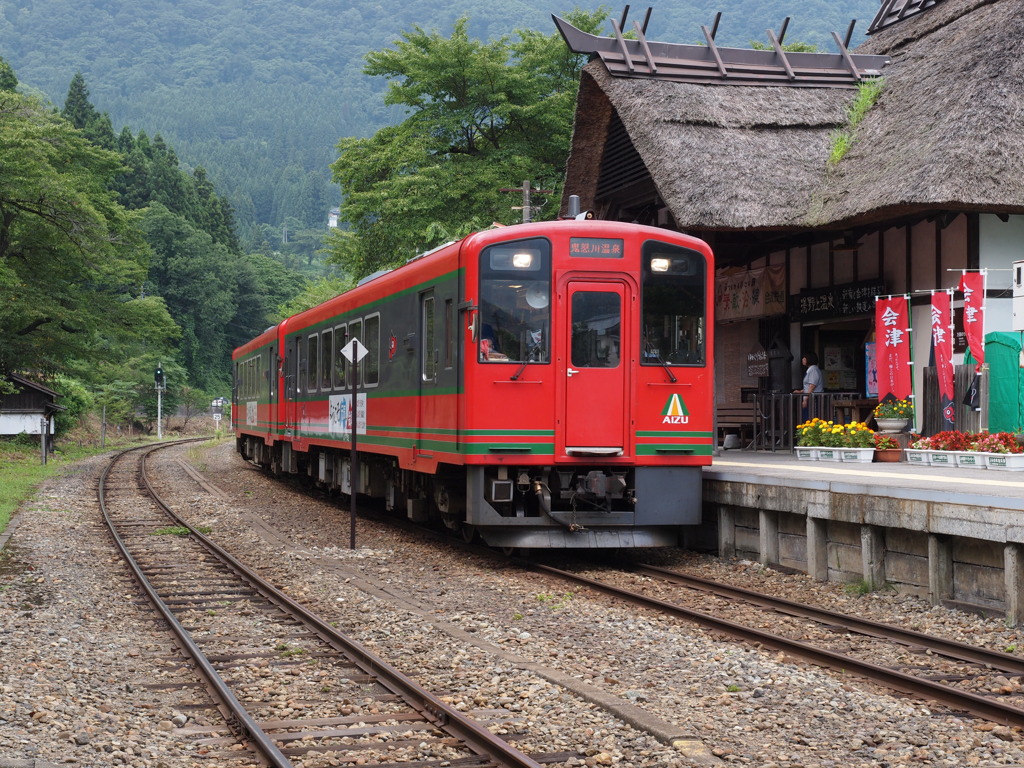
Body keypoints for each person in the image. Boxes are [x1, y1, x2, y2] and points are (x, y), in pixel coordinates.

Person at [794, 352, 823, 420]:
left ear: (808, 359)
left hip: (813, 398)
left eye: (804, 359)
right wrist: (801, 391)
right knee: (807, 417)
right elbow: (808, 386)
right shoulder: (811, 369)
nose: (802, 360)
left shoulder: (813, 369)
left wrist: (805, 399)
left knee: (811, 417)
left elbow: (812, 385)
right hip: (810, 397)